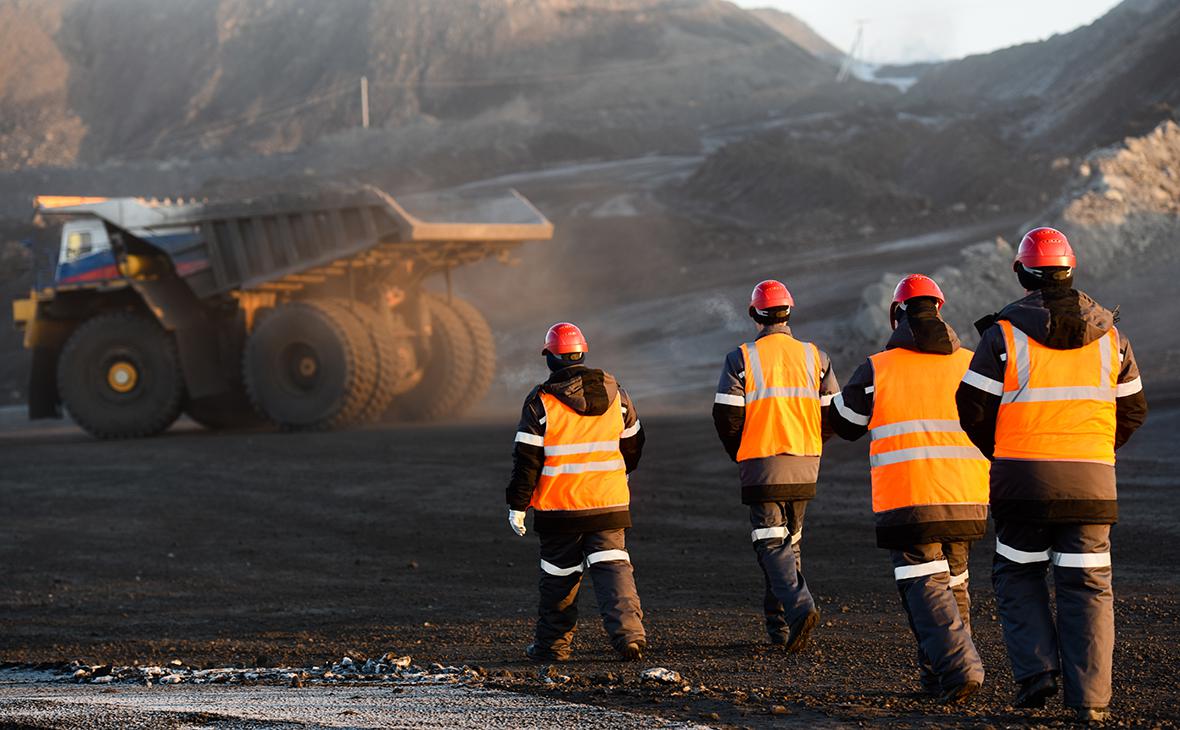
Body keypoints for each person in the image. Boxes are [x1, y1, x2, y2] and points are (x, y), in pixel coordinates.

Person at [956, 227, 1148, 722]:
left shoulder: (1003, 336)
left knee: (1019, 573)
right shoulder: (1112, 339)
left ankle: (1037, 674)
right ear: (1071, 268)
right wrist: (1096, 452)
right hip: (1092, 485)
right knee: (1087, 585)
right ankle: (1091, 702)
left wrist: (1001, 454)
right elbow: (1133, 411)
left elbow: (972, 409)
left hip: (1021, 483)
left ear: (1021, 273)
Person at [830, 274, 989, 704]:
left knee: (922, 581)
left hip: (910, 497)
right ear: (939, 310)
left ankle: (959, 668)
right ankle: (939, 676)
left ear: (897, 314)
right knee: (954, 582)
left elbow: (844, 423)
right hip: (967, 495)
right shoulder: (972, 362)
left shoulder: (878, 367)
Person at [505, 322, 647, 662]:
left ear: (550, 358)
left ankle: (553, 648)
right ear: (582, 352)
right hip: (608, 503)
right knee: (614, 568)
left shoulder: (541, 401)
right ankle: (630, 638)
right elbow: (634, 445)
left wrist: (517, 505)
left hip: (560, 509)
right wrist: (615, 477)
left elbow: (527, 460)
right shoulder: (617, 394)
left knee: (558, 578)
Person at [712, 280, 839, 651]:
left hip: (761, 463)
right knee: (788, 545)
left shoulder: (741, 358)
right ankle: (780, 629)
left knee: (770, 543)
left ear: (755, 314)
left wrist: (741, 450)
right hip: (804, 463)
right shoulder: (816, 356)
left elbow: (726, 415)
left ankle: (799, 608)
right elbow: (833, 412)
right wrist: (812, 444)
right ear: (789, 312)